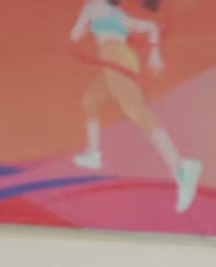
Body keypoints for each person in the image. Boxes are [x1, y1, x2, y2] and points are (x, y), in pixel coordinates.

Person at [69, 0, 203, 211]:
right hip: (124, 57)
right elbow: (152, 27)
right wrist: (155, 55)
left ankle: (179, 167)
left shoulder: (92, 5)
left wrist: (86, 27)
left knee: (135, 110)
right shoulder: (119, 15)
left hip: (111, 55)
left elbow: (74, 34)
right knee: (91, 97)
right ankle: (93, 153)